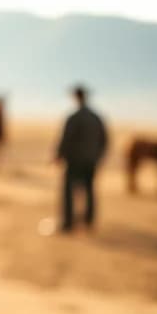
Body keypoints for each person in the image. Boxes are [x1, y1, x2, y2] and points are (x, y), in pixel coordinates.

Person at [55, 84, 108, 232]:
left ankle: (68, 223)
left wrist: (59, 155)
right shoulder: (96, 118)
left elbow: (66, 139)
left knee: (68, 191)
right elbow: (104, 140)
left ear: (76, 97)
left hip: (75, 160)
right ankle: (88, 221)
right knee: (89, 190)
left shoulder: (74, 117)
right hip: (91, 160)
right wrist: (98, 156)